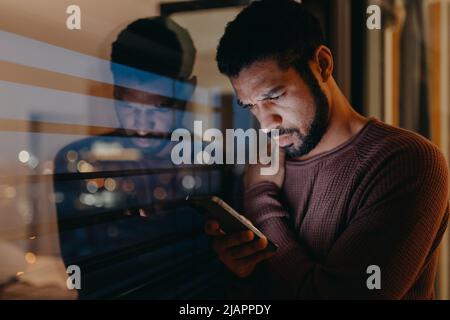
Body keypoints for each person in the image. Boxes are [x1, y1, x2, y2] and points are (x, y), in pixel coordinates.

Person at [205, 0, 449, 299]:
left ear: (322, 64)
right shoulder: (263, 165)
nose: (266, 123)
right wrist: (242, 273)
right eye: (251, 106)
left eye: (275, 96)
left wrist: (260, 200)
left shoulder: (407, 161)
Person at [54, 17, 223, 299]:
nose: (142, 125)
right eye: (127, 105)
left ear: (187, 91)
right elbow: (83, 268)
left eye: (159, 107)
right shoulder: (78, 160)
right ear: (114, 92)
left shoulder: (211, 162)